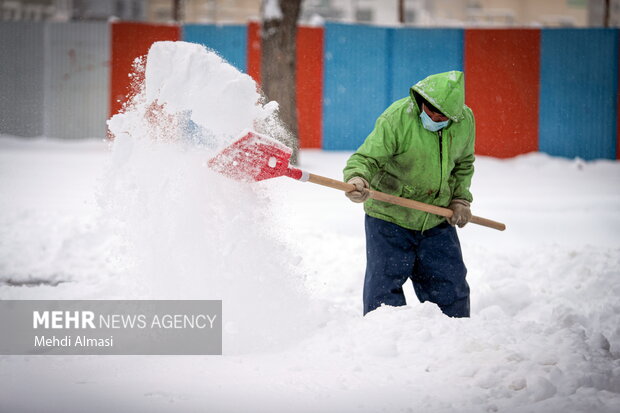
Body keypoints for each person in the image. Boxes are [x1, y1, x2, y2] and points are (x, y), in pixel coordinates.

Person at [343, 70, 475, 318]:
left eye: (443, 116)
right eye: (431, 111)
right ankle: (383, 344)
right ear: (421, 101)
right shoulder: (397, 118)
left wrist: (460, 199)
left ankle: (455, 342)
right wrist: (358, 178)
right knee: (384, 291)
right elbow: (366, 158)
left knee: (450, 288)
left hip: (436, 218)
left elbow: (464, 164)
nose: (436, 118)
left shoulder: (465, 121)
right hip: (389, 218)